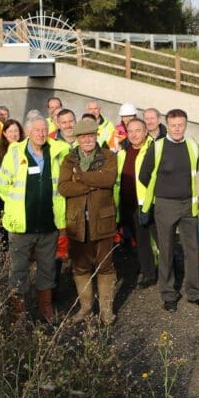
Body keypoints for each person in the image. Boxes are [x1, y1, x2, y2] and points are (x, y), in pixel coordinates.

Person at [0, 115, 68, 323]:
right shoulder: (15, 152)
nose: (41, 133)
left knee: (47, 269)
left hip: (48, 224)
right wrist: (15, 206)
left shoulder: (56, 151)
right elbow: (3, 185)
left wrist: (61, 221)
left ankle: (45, 309)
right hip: (22, 225)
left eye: (44, 129)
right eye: (37, 130)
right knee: (19, 270)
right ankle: (19, 313)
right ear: (28, 132)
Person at [139, 108, 199, 311]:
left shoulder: (193, 146)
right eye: (173, 125)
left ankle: (194, 292)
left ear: (185, 125)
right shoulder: (158, 146)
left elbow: (192, 172)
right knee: (166, 250)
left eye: (181, 125)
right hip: (165, 204)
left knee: (192, 250)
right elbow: (145, 175)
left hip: (189, 204)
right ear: (167, 125)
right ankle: (169, 294)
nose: (177, 129)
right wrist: (164, 191)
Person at [58, 119, 120, 324]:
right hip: (77, 223)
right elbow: (64, 188)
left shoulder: (109, 156)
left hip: (103, 221)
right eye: (83, 137)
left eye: (91, 136)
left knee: (105, 266)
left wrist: (82, 177)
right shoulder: (68, 160)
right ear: (77, 139)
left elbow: (108, 179)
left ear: (96, 137)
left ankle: (106, 311)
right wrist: (90, 185)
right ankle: (86, 308)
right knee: (80, 267)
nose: (87, 140)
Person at [115, 117, 158, 288]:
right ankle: (147, 271)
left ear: (146, 131)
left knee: (156, 240)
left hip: (146, 203)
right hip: (127, 204)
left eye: (137, 130)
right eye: (130, 131)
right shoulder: (123, 151)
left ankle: (161, 272)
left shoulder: (152, 149)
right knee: (138, 241)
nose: (133, 134)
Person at [0, 118, 23, 247]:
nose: (14, 134)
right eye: (10, 131)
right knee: (3, 231)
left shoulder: (25, 149)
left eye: (16, 131)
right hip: (2, 199)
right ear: (4, 133)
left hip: (20, 199)